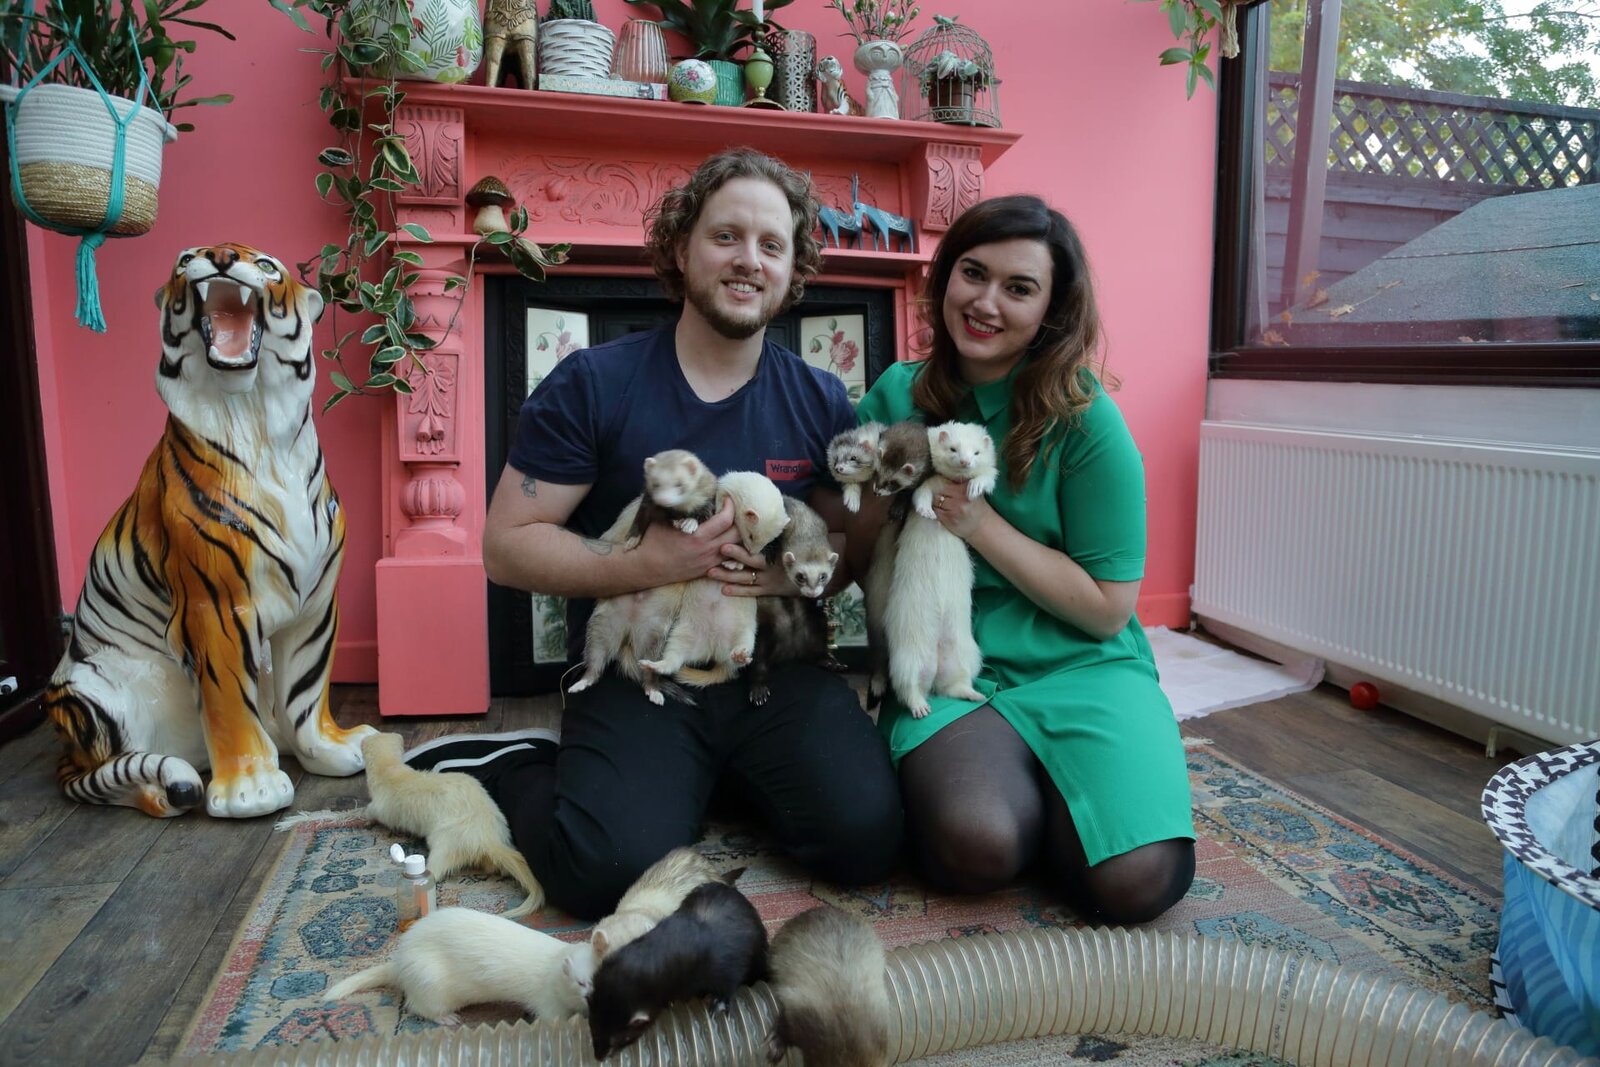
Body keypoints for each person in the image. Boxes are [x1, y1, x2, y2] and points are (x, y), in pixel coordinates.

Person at [409, 147, 903, 921]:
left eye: (772, 245)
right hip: (643, 670)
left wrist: (792, 575)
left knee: (868, 839)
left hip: (769, 670)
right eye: (726, 236)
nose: (749, 260)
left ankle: (706, 778)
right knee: (602, 871)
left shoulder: (818, 398)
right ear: (680, 248)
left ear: (792, 268)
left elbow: (842, 546)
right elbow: (506, 546)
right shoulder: (592, 383)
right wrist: (645, 561)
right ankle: (518, 765)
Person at [846, 194, 1196, 923]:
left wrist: (976, 523)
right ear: (945, 277)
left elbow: (1107, 610)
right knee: (976, 847)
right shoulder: (896, 394)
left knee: (1138, 881)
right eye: (973, 273)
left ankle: (1065, 806)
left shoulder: (1087, 420)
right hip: (949, 658)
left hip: (1082, 663)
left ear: (1051, 311)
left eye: (1019, 287)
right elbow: (856, 550)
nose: (986, 303)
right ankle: (1027, 804)